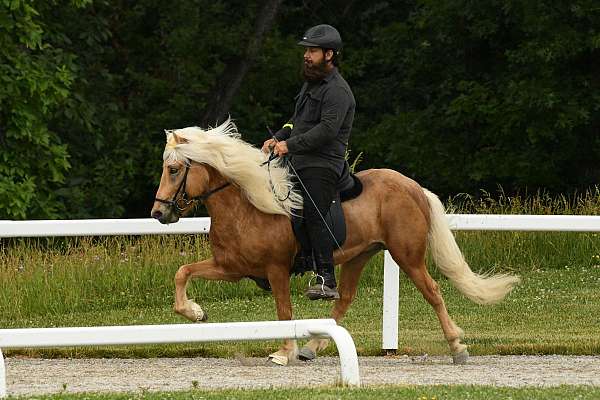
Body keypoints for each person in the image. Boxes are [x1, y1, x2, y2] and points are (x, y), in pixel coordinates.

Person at [262, 24, 356, 300]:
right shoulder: (310, 85)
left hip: (323, 163)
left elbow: (326, 131)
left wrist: (288, 145)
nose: (306, 56)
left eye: (312, 51)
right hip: (298, 157)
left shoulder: (338, 91)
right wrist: (279, 136)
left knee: (314, 211)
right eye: (306, 51)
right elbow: (297, 122)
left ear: (329, 54)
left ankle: (326, 278)